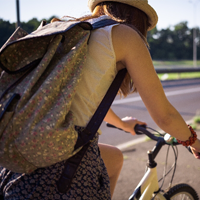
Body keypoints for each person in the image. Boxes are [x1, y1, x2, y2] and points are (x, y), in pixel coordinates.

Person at [0, 0, 200, 199]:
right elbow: (165, 116)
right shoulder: (126, 36)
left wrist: (122, 124)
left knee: (115, 157)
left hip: (22, 145)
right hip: (59, 159)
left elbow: (75, 99)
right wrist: (195, 142)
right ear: (139, 16)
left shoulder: (73, 31)